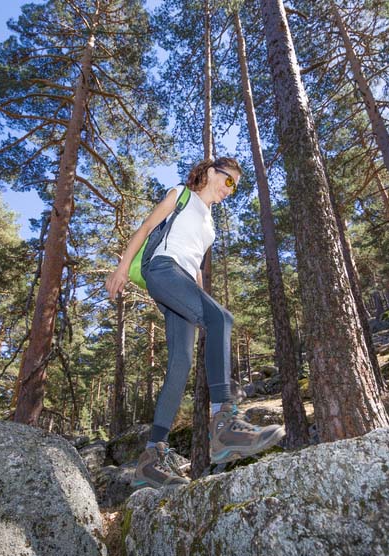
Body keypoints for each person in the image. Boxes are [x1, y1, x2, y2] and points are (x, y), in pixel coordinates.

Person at [105, 157, 284, 488]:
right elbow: (145, 229)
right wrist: (121, 269)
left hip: (182, 283)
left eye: (235, 187)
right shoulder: (181, 195)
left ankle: (150, 459)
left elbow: (196, 267)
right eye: (228, 181)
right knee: (221, 319)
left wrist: (201, 297)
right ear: (211, 173)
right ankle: (224, 423)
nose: (230, 191)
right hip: (162, 270)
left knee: (181, 363)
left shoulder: (210, 226)